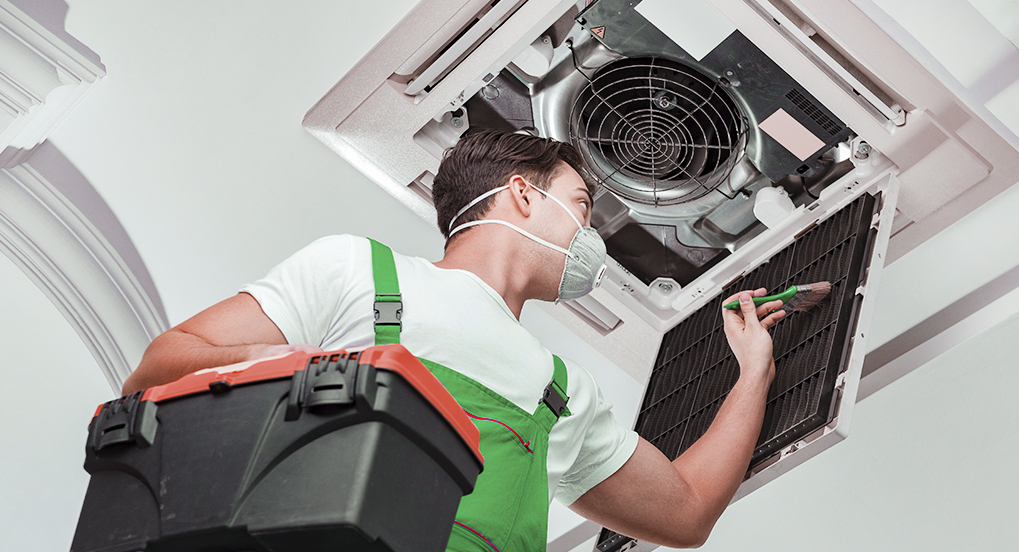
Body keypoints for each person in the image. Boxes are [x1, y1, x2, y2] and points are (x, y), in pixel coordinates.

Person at [123, 130, 789, 550]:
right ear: (523, 196)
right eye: (582, 206)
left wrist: (751, 372)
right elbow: (158, 371)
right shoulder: (356, 270)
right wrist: (330, 371)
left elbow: (686, 513)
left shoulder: (561, 394)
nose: (592, 239)